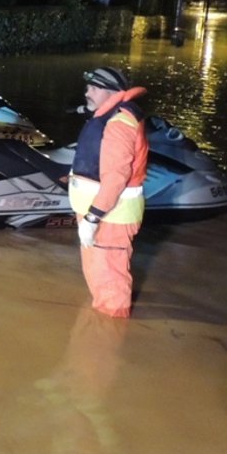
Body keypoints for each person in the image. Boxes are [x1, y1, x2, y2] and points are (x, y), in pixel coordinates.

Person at [68, 66, 149, 319]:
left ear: (112, 93)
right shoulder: (108, 116)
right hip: (101, 215)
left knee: (111, 288)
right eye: (87, 87)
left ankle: (109, 342)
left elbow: (115, 178)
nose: (87, 93)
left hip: (109, 218)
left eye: (94, 89)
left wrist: (92, 218)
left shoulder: (118, 123)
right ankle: (96, 336)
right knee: (99, 278)